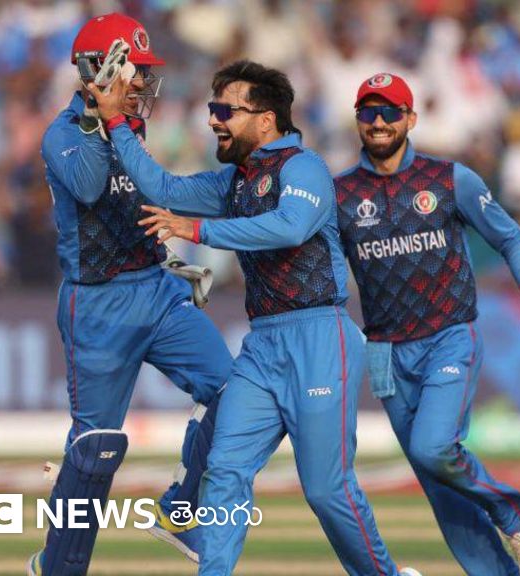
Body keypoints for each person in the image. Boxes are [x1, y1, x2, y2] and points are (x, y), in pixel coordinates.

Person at [91, 59, 421, 576]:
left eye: (225, 110)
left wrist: (198, 231)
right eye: (212, 109)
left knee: (326, 489)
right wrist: (115, 122)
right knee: (223, 472)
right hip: (263, 345)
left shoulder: (304, 168)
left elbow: (289, 227)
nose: (213, 119)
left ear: (265, 119)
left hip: (320, 338)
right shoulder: (235, 181)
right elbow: (164, 189)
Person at [27, 13, 233, 575]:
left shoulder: (132, 125)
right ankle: (57, 568)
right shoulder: (62, 134)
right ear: (99, 69)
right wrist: (106, 117)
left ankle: (180, 510)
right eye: (132, 69)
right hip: (98, 305)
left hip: (156, 291)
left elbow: (146, 194)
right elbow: (91, 185)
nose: (141, 81)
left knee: (234, 391)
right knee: (96, 449)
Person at [334, 73, 520, 576]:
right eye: (368, 112)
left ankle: (514, 513)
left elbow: (510, 237)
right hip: (386, 353)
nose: (378, 122)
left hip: (448, 336)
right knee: (440, 485)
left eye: (390, 112)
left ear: (411, 119)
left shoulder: (449, 179)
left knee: (433, 448)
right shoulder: (340, 193)